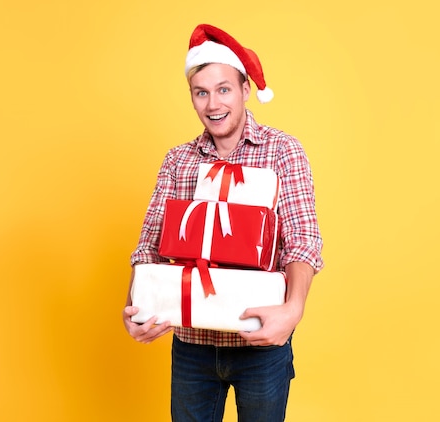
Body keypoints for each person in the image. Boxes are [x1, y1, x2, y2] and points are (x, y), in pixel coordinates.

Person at [122, 23, 324, 421]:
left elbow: (303, 240)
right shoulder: (178, 161)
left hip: (261, 343)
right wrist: (134, 306)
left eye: (224, 89)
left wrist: (293, 310)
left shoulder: (283, 151)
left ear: (245, 90)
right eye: (201, 92)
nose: (213, 103)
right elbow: (149, 244)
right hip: (192, 347)